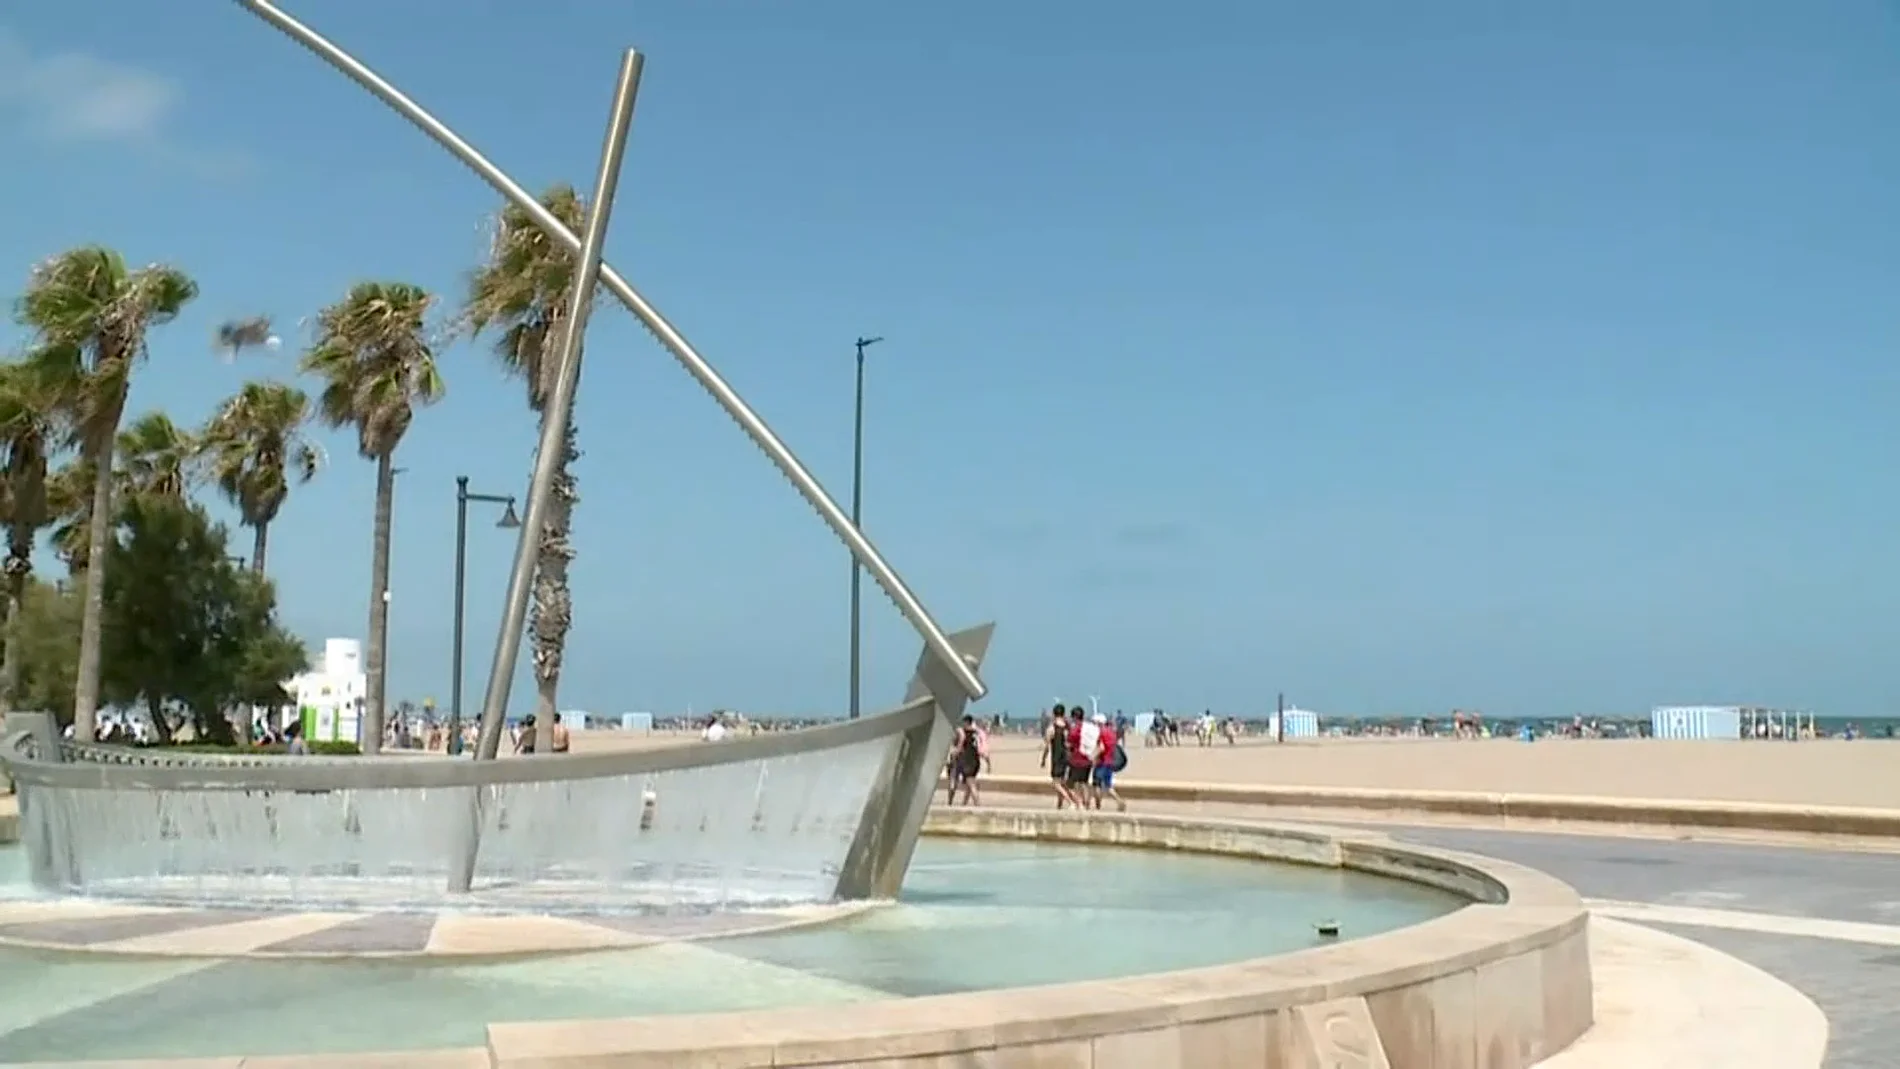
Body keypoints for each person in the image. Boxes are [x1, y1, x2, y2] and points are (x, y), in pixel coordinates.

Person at [1040, 704, 1075, 809]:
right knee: (1063, 782)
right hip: (1068, 757)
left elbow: (1046, 746)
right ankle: (1060, 805)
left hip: (1057, 757)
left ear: (1053, 714)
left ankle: (1071, 802)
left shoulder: (1052, 728)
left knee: (1056, 783)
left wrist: (1043, 759)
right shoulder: (1068, 727)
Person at [949, 714, 989, 806]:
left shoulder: (964, 732)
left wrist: (955, 754)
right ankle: (964, 805)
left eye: (963, 722)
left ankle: (978, 805)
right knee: (969, 784)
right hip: (976, 761)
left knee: (971, 784)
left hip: (968, 761)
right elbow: (981, 746)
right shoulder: (977, 732)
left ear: (966, 722)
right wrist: (988, 762)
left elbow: (960, 744)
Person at [1092, 712, 1127, 812]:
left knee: (1097, 785)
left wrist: (1092, 757)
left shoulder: (1101, 733)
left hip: (1102, 762)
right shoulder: (1111, 733)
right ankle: (1119, 801)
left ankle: (1097, 807)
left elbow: (1101, 748)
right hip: (1110, 762)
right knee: (1108, 786)